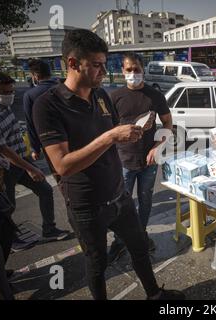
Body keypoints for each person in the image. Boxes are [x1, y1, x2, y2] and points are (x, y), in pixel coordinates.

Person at [32, 28, 184, 300]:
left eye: (105, 64)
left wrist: (132, 131)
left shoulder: (100, 96)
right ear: (73, 63)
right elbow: (62, 165)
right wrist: (111, 136)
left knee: (139, 248)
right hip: (87, 205)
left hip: (119, 195)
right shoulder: (48, 105)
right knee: (97, 263)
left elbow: (114, 133)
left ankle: (155, 295)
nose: (103, 71)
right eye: (96, 65)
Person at [0, 71, 69, 251]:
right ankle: (10, 240)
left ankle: (49, 229)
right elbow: (2, 149)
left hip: (21, 161)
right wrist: (30, 168)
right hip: (5, 167)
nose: (10, 96)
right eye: (5, 92)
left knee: (45, 190)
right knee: (7, 207)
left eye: (11, 91)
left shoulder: (3, 106)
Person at [108, 53, 173, 260]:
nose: (133, 74)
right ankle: (119, 241)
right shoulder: (114, 97)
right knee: (121, 205)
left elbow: (168, 125)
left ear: (143, 70)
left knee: (146, 202)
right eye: (129, 70)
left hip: (149, 161)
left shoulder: (155, 95)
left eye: (137, 69)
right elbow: (107, 131)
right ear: (122, 71)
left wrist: (157, 147)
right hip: (124, 161)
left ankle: (141, 236)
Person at [23, 59, 59, 161]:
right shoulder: (63, 87)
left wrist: (35, 148)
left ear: (35, 76)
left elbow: (30, 123)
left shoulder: (30, 95)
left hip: (48, 141)